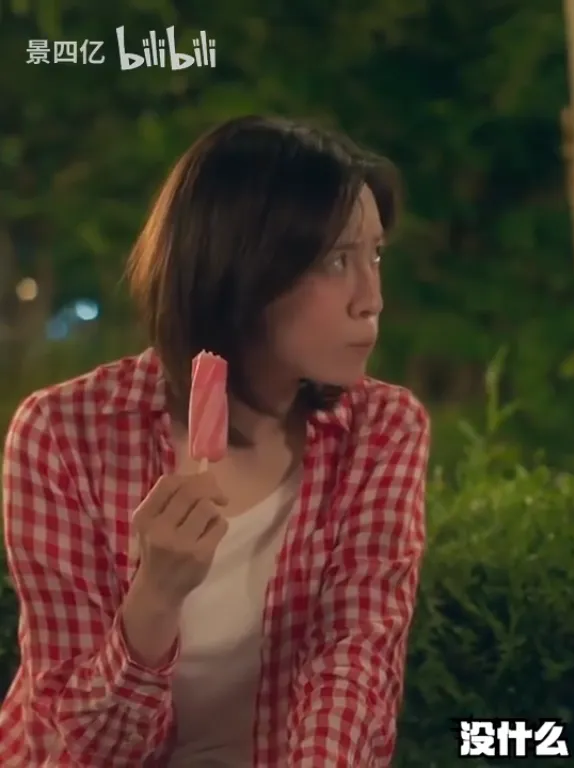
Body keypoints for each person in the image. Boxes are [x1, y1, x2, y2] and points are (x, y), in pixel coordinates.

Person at [0, 116, 430, 767]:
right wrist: (155, 597)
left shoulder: (383, 429)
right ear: (243, 269)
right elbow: (81, 746)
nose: (371, 299)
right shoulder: (62, 435)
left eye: (375, 255)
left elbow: (355, 663)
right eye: (336, 261)